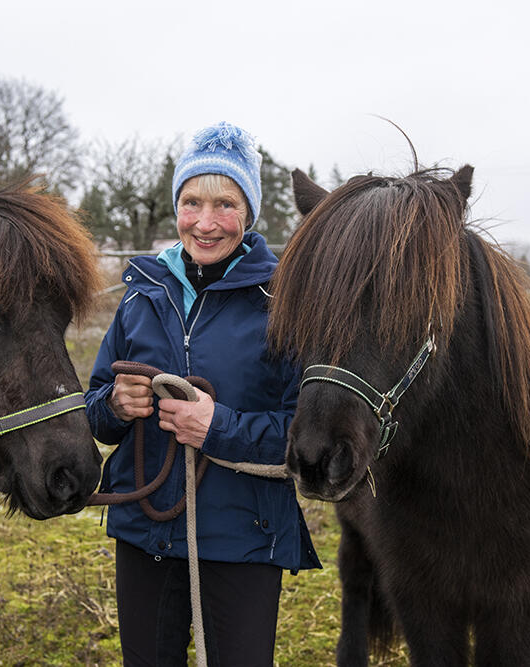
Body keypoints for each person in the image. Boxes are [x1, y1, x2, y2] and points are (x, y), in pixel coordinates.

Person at [85, 121, 320, 666]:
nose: (206, 223)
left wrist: (220, 428)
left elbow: (307, 432)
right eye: (192, 202)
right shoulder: (141, 294)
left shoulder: (284, 302)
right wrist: (116, 406)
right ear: (176, 207)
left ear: (250, 212)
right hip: (147, 530)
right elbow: (95, 413)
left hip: (244, 538)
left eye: (225, 204)